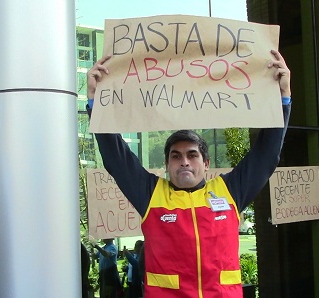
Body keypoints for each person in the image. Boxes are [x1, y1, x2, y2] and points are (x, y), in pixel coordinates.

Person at [86, 50, 291, 297]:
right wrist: (96, 102)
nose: (184, 162)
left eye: (192, 155)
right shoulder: (151, 194)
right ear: (167, 165)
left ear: (206, 163)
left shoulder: (229, 191)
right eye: (176, 156)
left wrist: (282, 98)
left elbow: (266, 156)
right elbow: (116, 158)